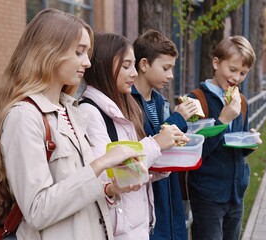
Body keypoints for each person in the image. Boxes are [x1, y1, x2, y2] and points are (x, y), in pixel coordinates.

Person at [0, 9, 145, 239]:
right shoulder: (24, 116)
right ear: (50, 52)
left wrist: (108, 190)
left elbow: (74, 194)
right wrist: (100, 164)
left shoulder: (69, 110)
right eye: (79, 52)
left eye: (87, 53)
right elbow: (37, 210)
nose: (88, 62)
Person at [78, 32, 189, 239]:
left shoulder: (123, 106)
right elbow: (106, 176)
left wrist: (162, 166)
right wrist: (156, 144)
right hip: (120, 229)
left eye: (133, 65)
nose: (134, 73)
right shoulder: (90, 112)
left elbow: (133, 170)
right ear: (104, 66)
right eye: (126, 65)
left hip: (138, 225)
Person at [187, 35, 262, 240]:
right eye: (233, 69)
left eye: (243, 73)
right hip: (207, 195)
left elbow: (236, 143)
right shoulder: (196, 101)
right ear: (216, 63)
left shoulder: (241, 101)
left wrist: (250, 141)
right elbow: (196, 152)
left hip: (236, 194)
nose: (237, 78)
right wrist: (222, 120)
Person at [131, 29, 198, 240]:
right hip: (148, 195)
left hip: (169, 191)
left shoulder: (161, 102)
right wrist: (178, 119)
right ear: (144, 65)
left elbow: (167, 143)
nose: (170, 75)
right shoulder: (129, 104)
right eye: (166, 68)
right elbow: (148, 143)